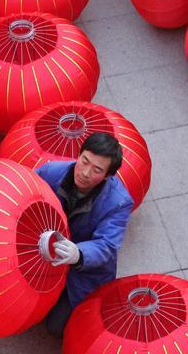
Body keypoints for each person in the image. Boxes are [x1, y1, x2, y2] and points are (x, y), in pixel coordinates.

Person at [35, 132, 134, 336]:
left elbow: (107, 245)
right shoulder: (50, 172)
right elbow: (24, 188)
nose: (85, 173)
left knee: (57, 327)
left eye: (97, 169)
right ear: (78, 155)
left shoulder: (119, 202)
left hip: (83, 270)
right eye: (84, 161)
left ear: (108, 176)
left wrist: (78, 254)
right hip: (44, 249)